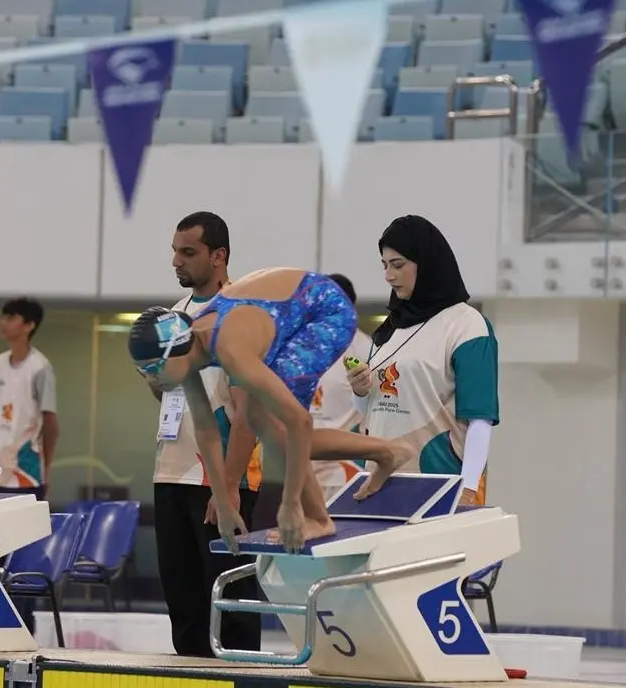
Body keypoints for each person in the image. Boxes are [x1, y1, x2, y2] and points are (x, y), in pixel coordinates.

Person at [128, 267, 412, 554]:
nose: (151, 378)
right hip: (290, 314)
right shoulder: (188, 348)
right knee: (261, 420)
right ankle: (387, 452)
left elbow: (299, 421)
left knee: (272, 425)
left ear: (174, 351)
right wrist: (223, 502)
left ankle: (318, 517)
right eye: (142, 371)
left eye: (153, 368)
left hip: (325, 311)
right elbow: (206, 429)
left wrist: (290, 504)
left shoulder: (227, 347)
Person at [144, 211, 263, 658]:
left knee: (229, 609)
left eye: (188, 252)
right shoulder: (174, 315)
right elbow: (171, 395)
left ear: (218, 256)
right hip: (171, 472)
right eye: (174, 251)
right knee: (185, 607)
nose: (176, 261)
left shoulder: (241, 313)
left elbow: (249, 411)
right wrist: (152, 376)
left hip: (219, 479)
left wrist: (228, 486)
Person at [346, 215, 500, 507]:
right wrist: (360, 391)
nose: (389, 276)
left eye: (398, 265)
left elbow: (480, 418)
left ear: (427, 263)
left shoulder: (467, 325)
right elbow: (373, 411)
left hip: (440, 483)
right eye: (384, 265)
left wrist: (468, 488)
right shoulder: (389, 329)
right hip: (378, 484)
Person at [310, 273, 373, 501]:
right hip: (301, 465)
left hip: (343, 469)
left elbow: (373, 411)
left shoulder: (366, 350)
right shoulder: (305, 344)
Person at [0, 297, 58, 501]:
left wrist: (46, 471)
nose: (3, 322)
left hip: (27, 471)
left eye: (11, 318)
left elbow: (51, 424)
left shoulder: (40, 368)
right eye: (3, 317)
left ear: (29, 325)